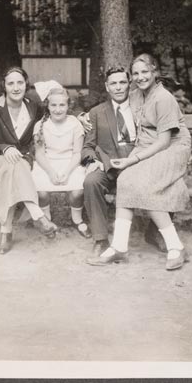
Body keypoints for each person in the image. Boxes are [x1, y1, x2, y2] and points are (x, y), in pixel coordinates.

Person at [86, 53, 192, 270]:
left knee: (146, 187)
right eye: (136, 73)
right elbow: (113, 105)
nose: (140, 76)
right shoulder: (137, 94)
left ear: (155, 72)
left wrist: (131, 159)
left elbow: (164, 141)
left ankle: (176, 246)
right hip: (148, 148)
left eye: (145, 72)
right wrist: (82, 117)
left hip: (171, 148)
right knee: (125, 181)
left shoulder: (163, 98)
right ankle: (119, 247)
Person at [0, 67, 58, 254]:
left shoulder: (33, 106)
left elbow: (57, 109)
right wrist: (4, 148)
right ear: (3, 86)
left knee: (12, 168)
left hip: (19, 162)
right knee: (11, 166)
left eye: (20, 82)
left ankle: (6, 231)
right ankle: (38, 216)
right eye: (10, 83)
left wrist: (82, 117)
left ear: (26, 85)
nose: (15, 87)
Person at [81, 66, 137, 255]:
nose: (118, 87)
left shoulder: (140, 107)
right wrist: (91, 161)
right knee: (91, 181)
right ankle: (100, 238)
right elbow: (88, 146)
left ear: (129, 84)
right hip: (109, 165)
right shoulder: (97, 112)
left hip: (136, 164)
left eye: (122, 82)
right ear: (107, 87)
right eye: (113, 83)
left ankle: (155, 233)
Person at [31, 87, 91, 238]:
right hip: (46, 163)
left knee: (78, 191)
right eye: (53, 105)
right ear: (48, 106)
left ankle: (77, 218)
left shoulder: (75, 124)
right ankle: (47, 219)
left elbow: (77, 153)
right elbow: (39, 154)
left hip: (71, 163)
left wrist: (67, 171)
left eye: (62, 105)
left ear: (68, 106)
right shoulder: (40, 125)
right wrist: (51, 172)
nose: (58, 110)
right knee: (41, 191)